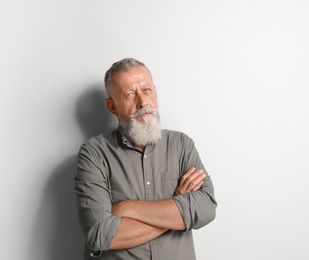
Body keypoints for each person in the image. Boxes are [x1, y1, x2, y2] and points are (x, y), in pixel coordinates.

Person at [75, 58, 217, 259]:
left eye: (147, 90)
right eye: (129, 94)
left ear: (156, 92)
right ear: (112, 106)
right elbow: (101, 235)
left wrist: (128, 208)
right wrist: (177, 208)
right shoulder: (93, 154)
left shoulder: (182, 144)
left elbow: (206, 208)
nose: (143, 102)